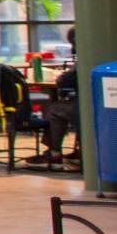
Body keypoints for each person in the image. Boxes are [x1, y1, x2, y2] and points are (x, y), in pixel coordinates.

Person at [27, 27, 79, 168]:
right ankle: (79, 151)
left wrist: (62, 76)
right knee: (64, 105)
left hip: (87, 108)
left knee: (55, 109)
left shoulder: (87, 54)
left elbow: (65, 81)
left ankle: (54, 152)